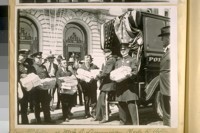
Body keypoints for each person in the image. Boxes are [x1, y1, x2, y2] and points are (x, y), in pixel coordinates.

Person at [115, 43, 139, 125]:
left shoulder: (133, 60)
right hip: (120, 86)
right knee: (121, 104)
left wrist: (131, 74)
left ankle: (135, 124)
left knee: (131, 104)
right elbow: (115, 73)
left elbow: (135, 71)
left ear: (128, 50)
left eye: (124, 49)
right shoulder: (118, 62)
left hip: (129, 85)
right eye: (121, 49)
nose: (122, 51)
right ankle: (123, 122)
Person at [93, 49, 117, 123]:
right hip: (106, 84)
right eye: (104, 52)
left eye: (106, 52)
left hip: (108, 84)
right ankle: (98, 116)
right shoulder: (110, 59)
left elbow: (106, 72)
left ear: (110, 53)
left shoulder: (110, 60)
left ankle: (105, 117)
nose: (105, 54)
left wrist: (97, 76)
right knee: (100, 100)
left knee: (103, 101)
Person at [31, 52, 55, 124]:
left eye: (41, 58)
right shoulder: (32, 67)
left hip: (44, 89)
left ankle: (47, 119)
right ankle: (38, 120)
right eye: (38, 58)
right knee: (37, 105)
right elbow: (31, 78)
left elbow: (47, 76)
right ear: (34, 58)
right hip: (36, 90)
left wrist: (49, 79)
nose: (40, 59)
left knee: (46, 104)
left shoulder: (43, 67)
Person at [158, 26, 170, 126]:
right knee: (166, 108)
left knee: (170, 108)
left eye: (163, 37)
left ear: (169, 37)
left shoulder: (174, 50)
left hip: (170, 86)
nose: (161, 39)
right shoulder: (167, 50)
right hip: (165, 86)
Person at [18, 49, 31, 124]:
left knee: (24, 106)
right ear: (18, 55)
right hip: (17, 88)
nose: (24, 57)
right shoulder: (13, 64)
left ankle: (25, 122)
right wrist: (20, 75)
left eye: (25, 56)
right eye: (22, 55)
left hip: (25, 88)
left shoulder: (26, 65)